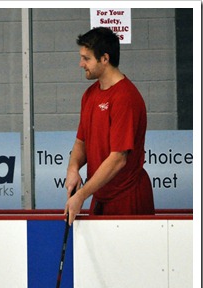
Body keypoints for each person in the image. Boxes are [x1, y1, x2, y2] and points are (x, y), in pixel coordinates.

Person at [64, 27, 154, 225]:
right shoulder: (89, 95)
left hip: (127, 197)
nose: (81, 64)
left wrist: (82, 195)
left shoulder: (125, 98)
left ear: (105, 59)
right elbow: (81, 142)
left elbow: (118, 159)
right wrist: (73, 168)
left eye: (86, 58)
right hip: (100, 196)